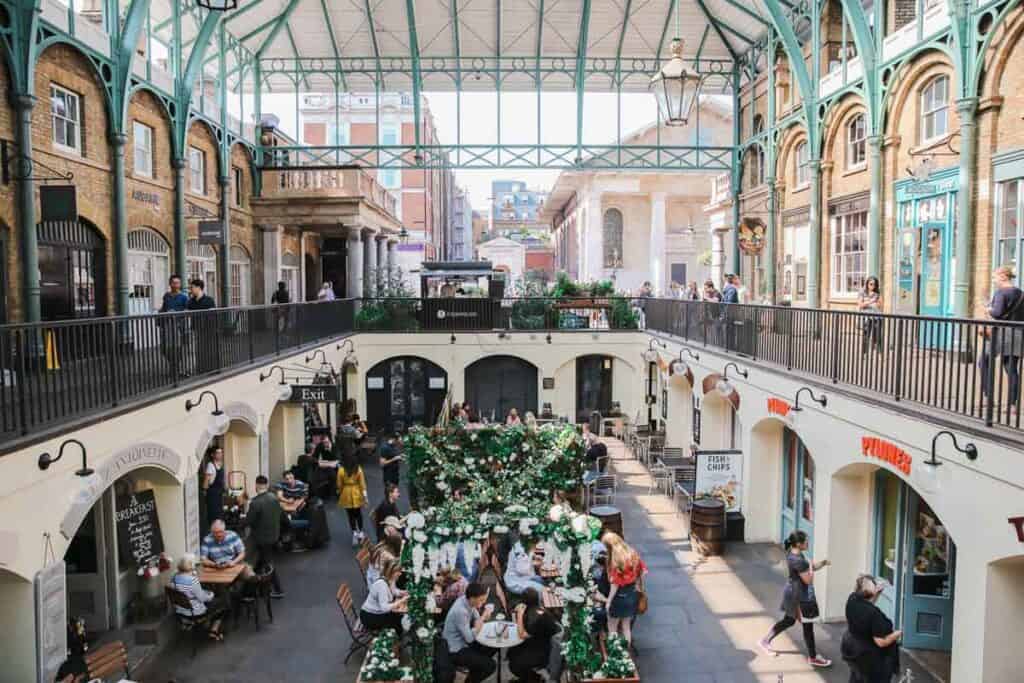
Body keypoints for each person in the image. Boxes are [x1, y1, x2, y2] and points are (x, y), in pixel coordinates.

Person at [759, 529, 832, 667]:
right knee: (806, 625)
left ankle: (765, 641)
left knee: (790, 621)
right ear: (798, 544)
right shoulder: (798, 560)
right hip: (798, 596)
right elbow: (808, 580)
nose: (808, 542)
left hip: (793, 593)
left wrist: (822, 563)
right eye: (806, 541)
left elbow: (808, 568)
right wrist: (811, 569)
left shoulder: (794, 553)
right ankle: (813, 657)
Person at [842, 575, 901, 682]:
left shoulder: (852, 599)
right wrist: (897, 634)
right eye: (874, 584)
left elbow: (867, 603)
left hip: (852, 647)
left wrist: (876, 592)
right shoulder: (874, 613)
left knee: (857, 676)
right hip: (868, 655)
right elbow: (881, 642)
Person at [983, 266, 1024, 415]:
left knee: (984, 360)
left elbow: (997, 313)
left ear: (1003, 276)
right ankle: (1012, 405)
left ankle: (989, 397)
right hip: (1018, 333)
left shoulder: (1001, 293)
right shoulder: (1020, 293)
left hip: (1001, 334)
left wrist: (988, 309)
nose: (994, 280)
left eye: (995, 277)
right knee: (1011, 369)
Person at [442, 582, 497, 683]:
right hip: (455, 649)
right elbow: (470, 638)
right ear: (472, 598)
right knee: (490, 665)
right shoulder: (460, 611)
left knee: (493, 644)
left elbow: (476, 618)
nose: (483, 602)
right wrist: (483, 617)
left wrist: (480, 620)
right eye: (481, 600)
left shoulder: (466, 600)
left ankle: (476, 667)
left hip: (464, 640)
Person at [602, 531, 647, 647]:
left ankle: (615, 655)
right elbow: (643, 572)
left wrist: (609, 601)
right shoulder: (633, 553)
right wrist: (639, 586)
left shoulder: (615, 560)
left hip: (619, 598)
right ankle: (625, 653)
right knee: (626, 627)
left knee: (612, 628)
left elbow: (614, 585)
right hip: (632, 594)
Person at [244, 475, 285, 598]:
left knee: (265, 562)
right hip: (274, 535)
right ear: (266, 485)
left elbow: (249, 521)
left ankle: (277, 589)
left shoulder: (255, 503)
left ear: (256, 485)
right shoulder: (274, 498)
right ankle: (258, 588)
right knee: (263, 561)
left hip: (260, 538)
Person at [508, 587, 561, 683]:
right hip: (539, 641)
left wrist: (519, 614)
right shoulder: (538, 609)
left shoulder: (534, 618)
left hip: (543, 651)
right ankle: (526, 678)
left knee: (514, 665)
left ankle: (535, 678)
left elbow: (522, 634)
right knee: (511, 652)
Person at [170, 554, 227, 640]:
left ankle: (203, 625)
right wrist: (211, 594)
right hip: (195, 613)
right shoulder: (193, 580)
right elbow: (202, 598)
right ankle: (213, 630)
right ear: (191, 566)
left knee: (212, 600)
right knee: (222, 603)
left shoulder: (174, 578)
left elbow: (189, 593)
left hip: (180, 611)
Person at [360, 559, 409, 631]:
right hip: (370, 616)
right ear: (391, 571)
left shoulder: (390, 578)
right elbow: (385, 608)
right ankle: (396, 637)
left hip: (379, 611)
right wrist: (401, 601)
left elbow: (394, 590)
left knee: (399, 615)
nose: (400, 573)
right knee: (398, 619)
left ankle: (398, 634)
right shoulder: (381, 585)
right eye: (398, 571)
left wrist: (403, 592)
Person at [157, 274, 188, 372]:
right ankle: (173, 364)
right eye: (174, 283)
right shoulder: (166, 296)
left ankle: (175, 368)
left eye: (178, 283)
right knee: (164, 348)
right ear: (170, 284)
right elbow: (163, 308)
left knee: (177, 348)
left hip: (178, 326)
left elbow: (187, 310)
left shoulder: (184, 297)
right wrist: (161, 313)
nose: (176, 285)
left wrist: (178, 314)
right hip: (167, 325)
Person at [187, 278, 218, 373]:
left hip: (207, 330)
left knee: (208, 349)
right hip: (195, 329)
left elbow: (213, 315)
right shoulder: (191, 301)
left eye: (192, 287)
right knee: (197, 350)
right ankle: (200, 369)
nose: (190, 290)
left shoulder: (209, 300)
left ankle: (209, 368)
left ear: (199, 288)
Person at [336, 450, 368, 545]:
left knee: (350, 515)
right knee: (358, 513)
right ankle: (361, 532)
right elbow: (362, 483)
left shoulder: (341, 470)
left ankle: (354, 532)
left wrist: (340, 493)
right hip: (356, 491)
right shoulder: (358, 469)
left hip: (346, 492)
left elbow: (339, 484)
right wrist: (365, 496)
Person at [202, 446, 226, 534]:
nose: (220, 455)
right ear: (212, 455)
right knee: (213, 515)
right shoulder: (210, 465)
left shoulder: (220, 464)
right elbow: (206, 481)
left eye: (221, 452)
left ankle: (219, 532)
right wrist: (204, 491)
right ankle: (213, 533)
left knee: (219, 515)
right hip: (212, 494)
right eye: (218, 453)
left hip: (219, 494)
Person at [858, 276, 883, 354]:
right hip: (867, 317)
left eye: (874, 284)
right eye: (871, 284)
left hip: (877, 317)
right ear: (867, 284)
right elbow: (860, 305)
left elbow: (880, 305)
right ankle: (864, 353)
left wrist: (876, 299)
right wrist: (871, 301)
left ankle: (880, 354)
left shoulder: (877, 293)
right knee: (866, 336)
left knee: (878, 336)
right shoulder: (862, 292)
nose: (872, 286)